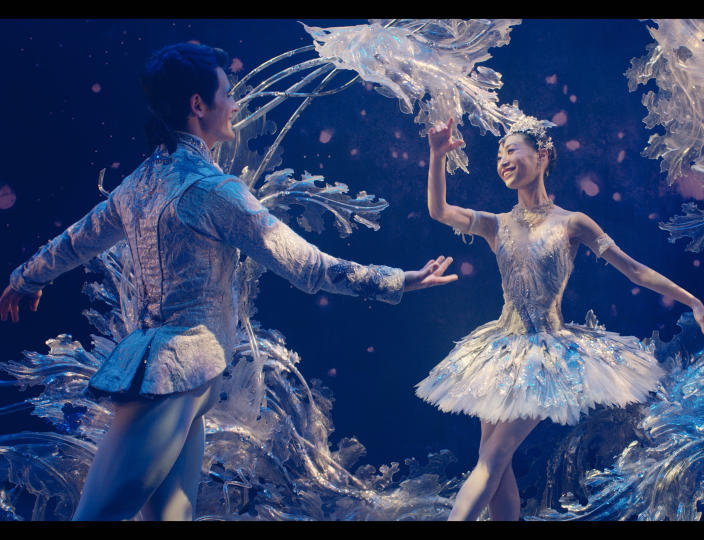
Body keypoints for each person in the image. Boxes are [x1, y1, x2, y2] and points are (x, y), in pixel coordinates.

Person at [0, 42, 456, 521]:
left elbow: (73, 242)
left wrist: (24, 279)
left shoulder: (138, 185)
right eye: (226, 92)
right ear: (198, 105)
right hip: (179, 377)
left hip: (174, 372)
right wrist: (397, 281)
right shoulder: (216, 191)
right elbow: (309, 266)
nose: (235, 104)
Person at [415, 117, 704, 521]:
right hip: (500, 352)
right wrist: (437, 157)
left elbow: (633, 270)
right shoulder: (496, 224)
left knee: (493, 458)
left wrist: (692, 299)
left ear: (541, 156)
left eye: (511, 151)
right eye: (499, 155)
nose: (503, 160)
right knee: (494, 463)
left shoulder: (572, 223)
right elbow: (439, 211)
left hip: (547, 356)